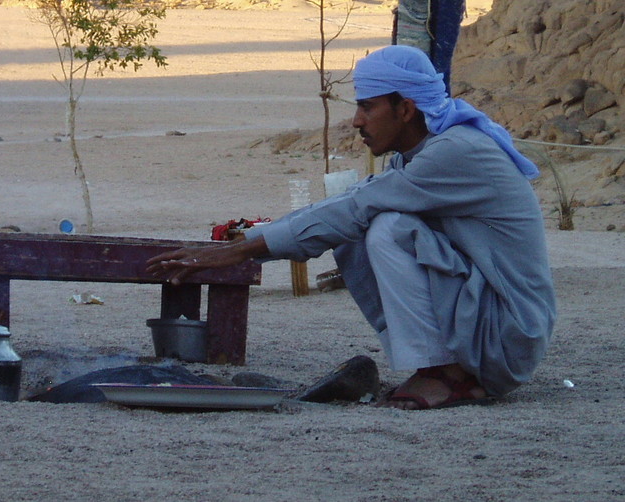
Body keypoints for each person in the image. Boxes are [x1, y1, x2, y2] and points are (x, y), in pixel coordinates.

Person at [148, 45, 556, 409]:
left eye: (367, 107)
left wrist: (235, 254)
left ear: (406, 109)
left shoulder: (456, 152)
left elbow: (357, 208)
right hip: (486, 326)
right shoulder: (415, 155)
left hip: (506, 336)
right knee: (358, 227)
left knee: (388, 227)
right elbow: (344, 205)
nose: (357, 121)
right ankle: (441, 370)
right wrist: (242, 242)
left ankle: (445, 374)